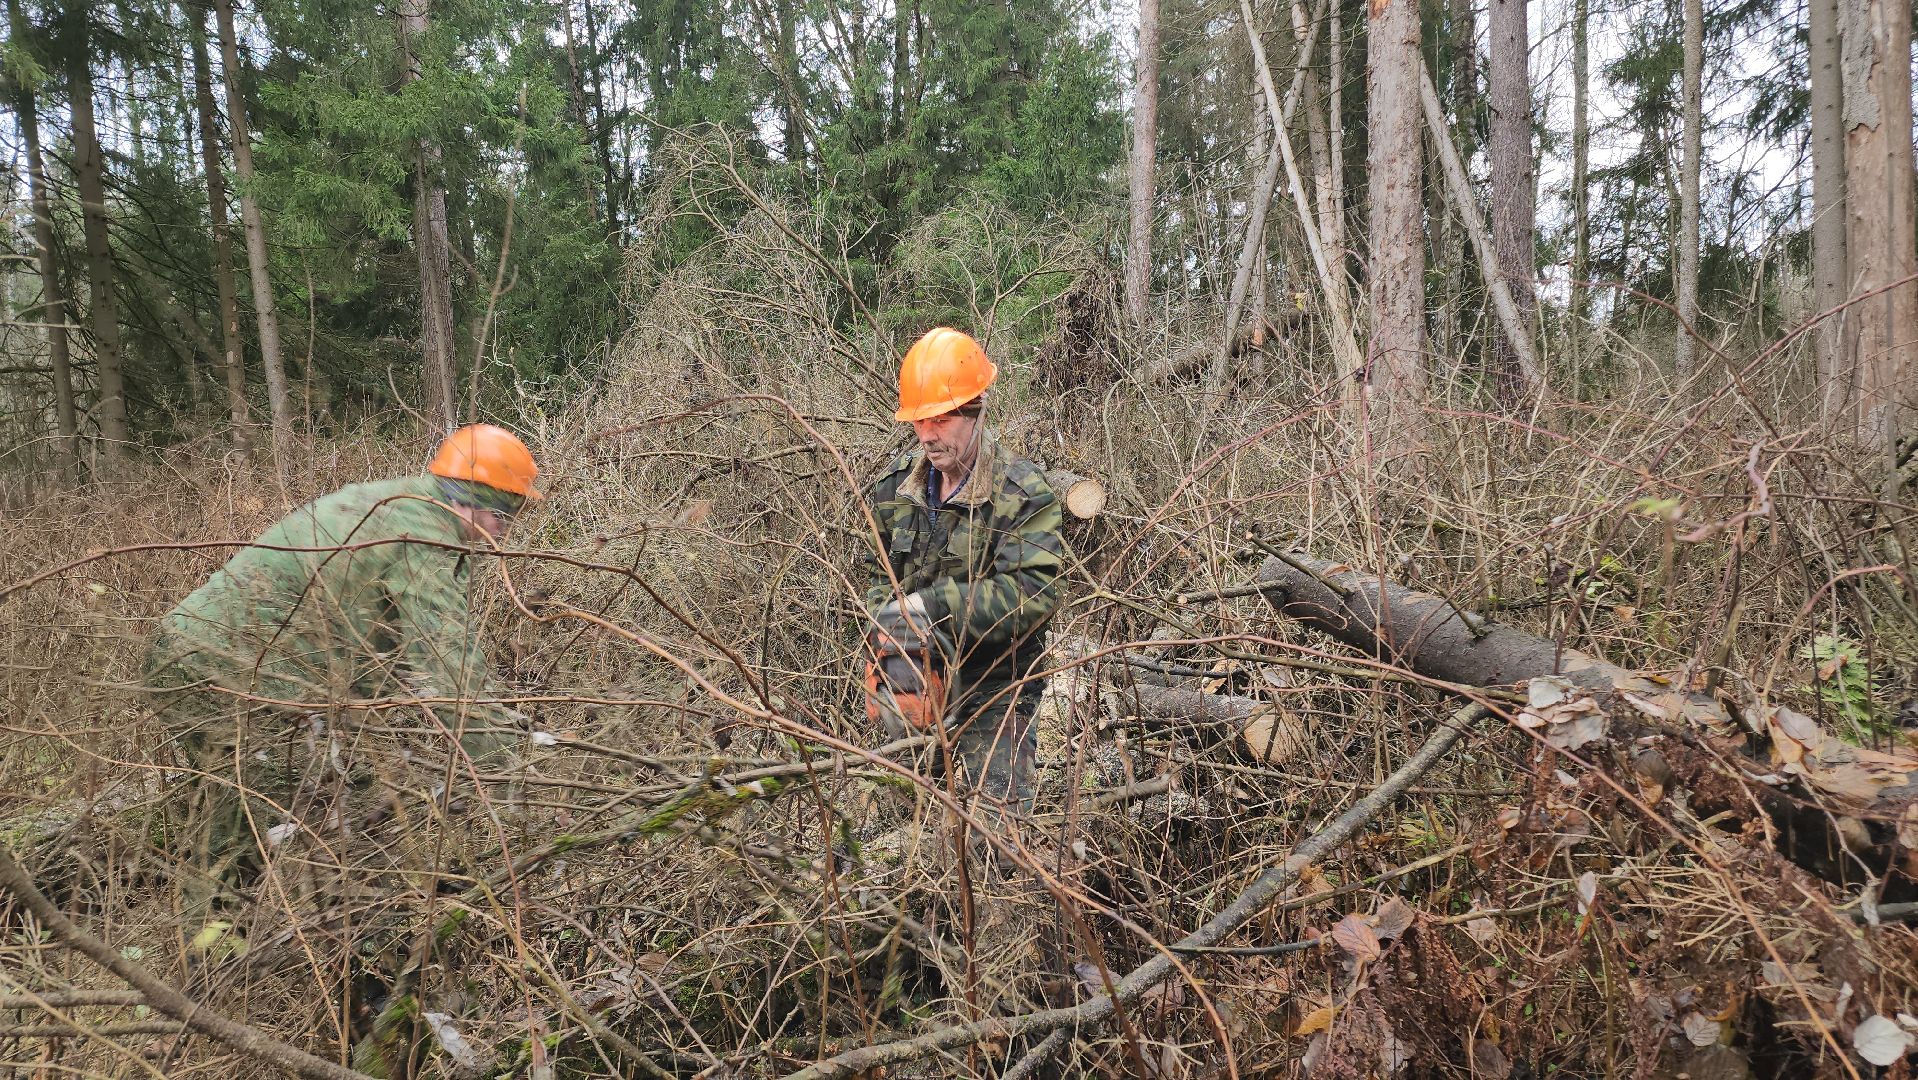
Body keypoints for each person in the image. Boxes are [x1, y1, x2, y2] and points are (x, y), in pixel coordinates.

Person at [145, 424, 540, 904]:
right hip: (221, 669)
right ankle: (282, 957)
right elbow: (449, 661)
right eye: (504, 513)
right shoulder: (427, 536)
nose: (504, 530)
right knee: (299, 815)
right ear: (473, 498)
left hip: (205, 657)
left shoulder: (399, 502)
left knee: (282, 805)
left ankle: (271, 939)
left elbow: (366, 641)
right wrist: (505, 769)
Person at [863, 328, 1064, 826]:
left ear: (976, 410)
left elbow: (1032, 594)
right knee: (914, 828)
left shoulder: (1024, 493)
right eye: (920, 421)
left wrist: (932, 610)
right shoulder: (894, 488)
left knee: (993, 838)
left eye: (943, 418)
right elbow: (872, 572)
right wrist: (888, 631)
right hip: (916, 680)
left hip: (999, 686)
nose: (929, 435)